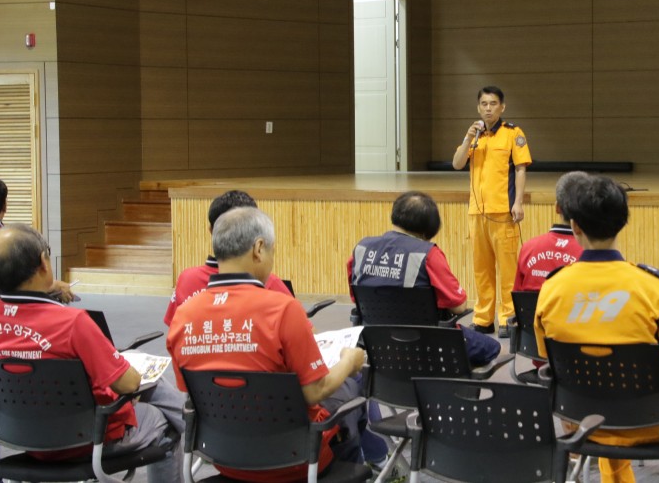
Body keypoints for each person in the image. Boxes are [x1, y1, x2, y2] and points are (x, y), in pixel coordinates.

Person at [0, 225, 183, 483]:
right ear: (43, 262)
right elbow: (127, 383)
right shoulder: (73, 322)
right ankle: (206, 436)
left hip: (19, 434)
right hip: (90, 438)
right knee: (166, 419)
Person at [168, 207, 369, 482]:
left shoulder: (184, 316)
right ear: (259, 248)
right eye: (272, 251)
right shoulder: (282, 309)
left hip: (223, 457)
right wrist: (349, 360)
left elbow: (191, 393)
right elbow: (315, 391)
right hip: (295, 461)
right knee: (352, 386)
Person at [534, 174, 659, 483]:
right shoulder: (653, 288)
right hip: (652, 425)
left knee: (601, 392)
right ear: (623, 222)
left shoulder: (551, 290)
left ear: (575, 226)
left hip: (581, 422)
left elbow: (550, 364)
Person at [348, 191, 500, 366]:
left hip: (377, 341)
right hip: (428, 342)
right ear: (429, 228)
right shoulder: (428, 254)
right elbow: (458, 306)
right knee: (492, 347)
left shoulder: (361, 249)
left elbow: (356, 298)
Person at [450, 86, 531, 338]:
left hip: (503, 212)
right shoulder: (475, 136)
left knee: (508, 270)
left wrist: (518, 202)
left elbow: (520, 168)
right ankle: (483, 318)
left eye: (493, 103)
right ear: (478, 107)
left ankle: (508, 318)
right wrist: (466, 139)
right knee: (481, 270)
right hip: (477, 213)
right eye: (484, 104)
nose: (488, 108)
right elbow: (457, 164)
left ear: (502, 107)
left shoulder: (512, 133)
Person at [163, 190, 290, 325]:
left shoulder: (186, 279)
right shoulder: (270, 283)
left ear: (212, 231)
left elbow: (175, 333)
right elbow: (305, 335)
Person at [512, 171, 587, 293]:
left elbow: (518, 299)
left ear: (557, 208)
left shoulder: (528, 248)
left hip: (535, 312)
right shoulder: (590, 253)